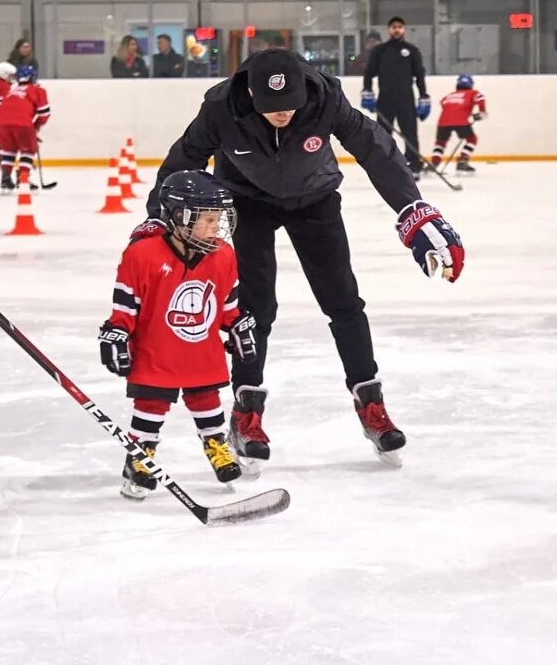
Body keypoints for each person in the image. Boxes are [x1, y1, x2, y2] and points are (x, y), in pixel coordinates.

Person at [141, 48, 465, 468]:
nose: (283, 115)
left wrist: (413, 210)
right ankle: (247, 410)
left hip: (315, 199)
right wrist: (157, 220)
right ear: (251, 93)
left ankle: (371, 404)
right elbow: (181, 160)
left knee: (343, 301)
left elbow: (374, 148)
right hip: (248, 203)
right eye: (273, 108)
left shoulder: (325, 97)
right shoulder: (221, 108)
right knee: (255, 308)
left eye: (290, 106)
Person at [100, 170, 259, 499]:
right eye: (209, 220)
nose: (218, 227)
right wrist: (116, 333)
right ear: (179, 217)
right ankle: (140, 457)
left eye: (219, 218)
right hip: (155, 351)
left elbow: (227, 305)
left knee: (207, 399)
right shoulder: (141, 255)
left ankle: (216, 444)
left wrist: (238, 325)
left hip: (202, 350)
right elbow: (125, 307)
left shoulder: (223, 255)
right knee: (151, 405)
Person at [361, 17, 429, 177]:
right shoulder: (380, 50)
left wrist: (424, 96)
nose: (396, 29)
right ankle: (385, 165)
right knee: (382, 135)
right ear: (389, 30)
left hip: (406, 100)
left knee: (410, 133)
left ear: (404, 29)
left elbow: (419, 75)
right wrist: (367, 91)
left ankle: (414, 165)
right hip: (385, 100)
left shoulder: (412, 50)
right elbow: (369, 73)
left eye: (399, 27)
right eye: (393, 27)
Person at [0, 63, 50, 192]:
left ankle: (5, 179)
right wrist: (35, 127)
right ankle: (23, 179)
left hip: (1, 123)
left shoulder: (11, 89)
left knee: (9, 150)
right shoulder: (38, 90)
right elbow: (44, 113)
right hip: (22, 123)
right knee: (29, 150)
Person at [432, 74, 488, 173]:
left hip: (443, 121)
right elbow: (480, 98)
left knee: (440, 143)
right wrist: (482, 112)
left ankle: (434, 163)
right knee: (472, 140)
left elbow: (442, 102)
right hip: (461, 121)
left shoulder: (450, 95)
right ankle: (462, 160)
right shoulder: (473, 92)